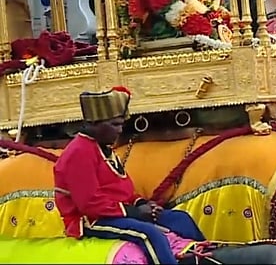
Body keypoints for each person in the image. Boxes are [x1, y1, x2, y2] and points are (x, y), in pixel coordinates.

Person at [53, 87, 206, 265]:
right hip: (91, 221)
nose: (119, 131)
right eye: (115, 124)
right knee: (150, 235)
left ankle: (208, 256)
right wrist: (135, 212)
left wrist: (141, 203)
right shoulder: (78, 153)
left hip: (118, 212)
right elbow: (89, 204)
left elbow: (122, 189)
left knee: (181, 219)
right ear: (95, 123)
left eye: (121, 125)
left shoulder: (104, 148)